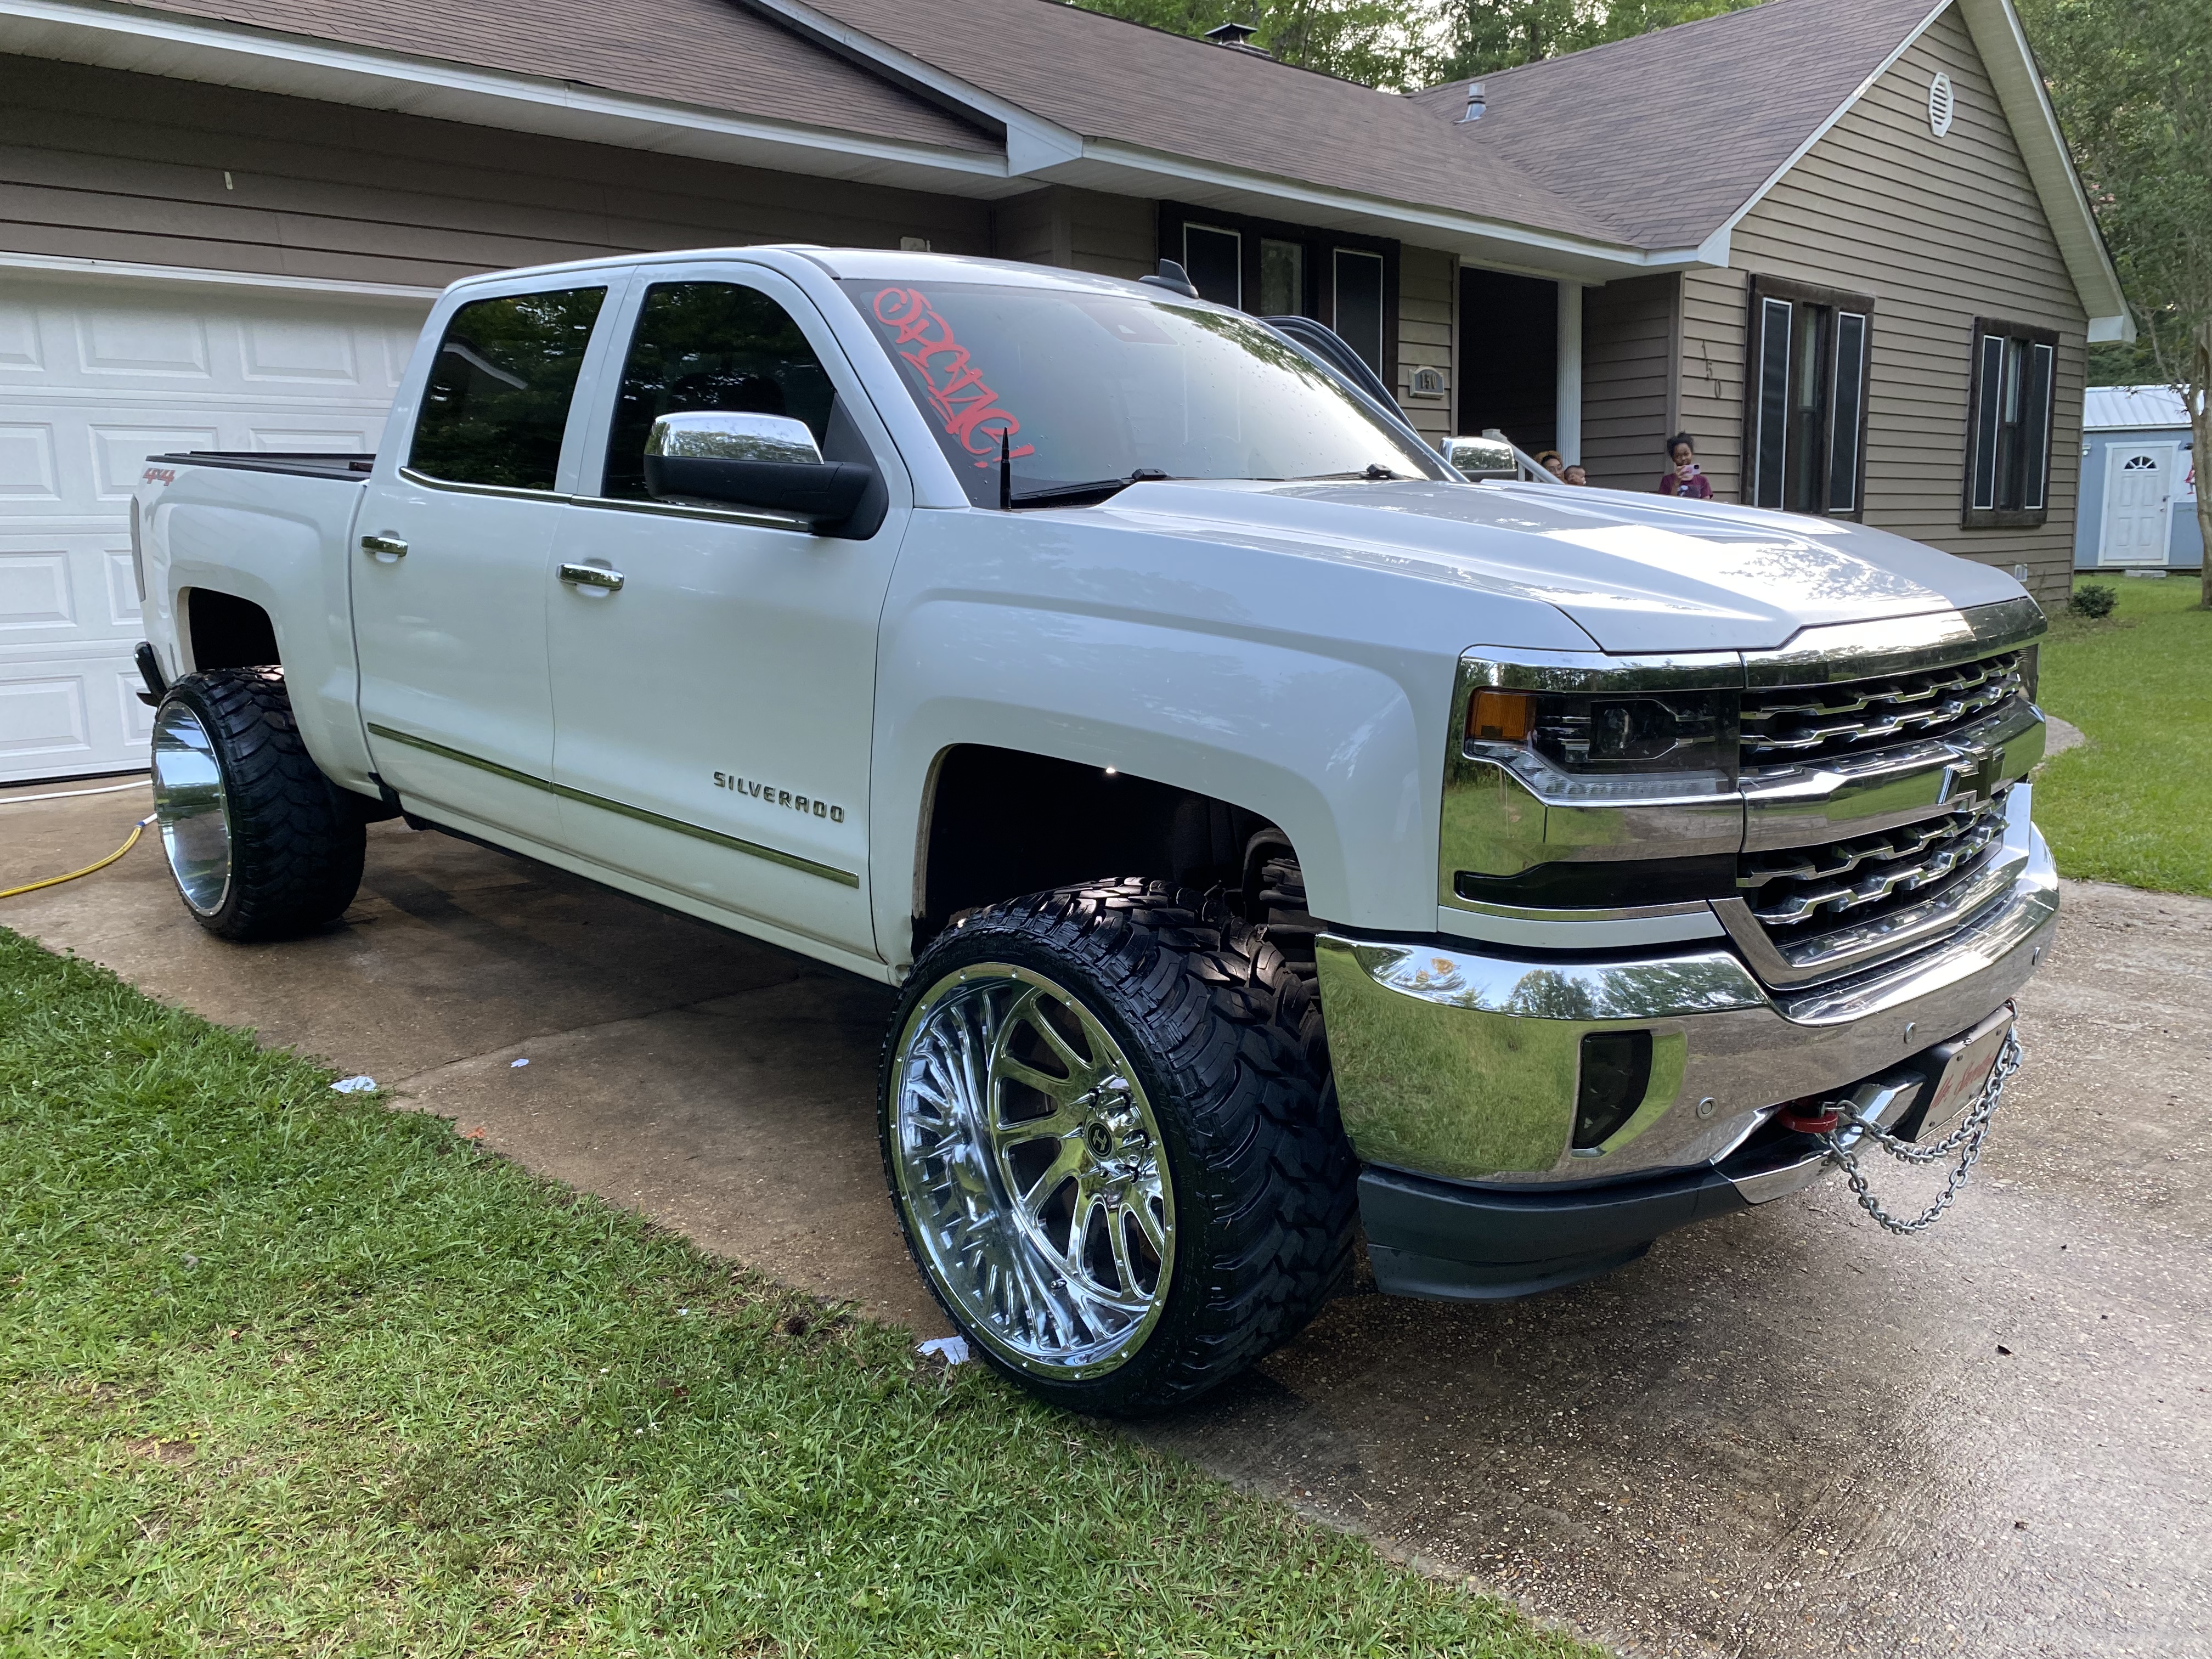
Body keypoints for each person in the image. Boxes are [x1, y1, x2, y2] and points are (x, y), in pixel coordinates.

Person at [1657, 433, 1712, 499]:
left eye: (1686, 454)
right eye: (1678, 456)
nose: (1683, 459)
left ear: (1692, 454)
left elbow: (1706, 506)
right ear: (1673, 459)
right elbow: (1666, 504)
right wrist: (1676, 484)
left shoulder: (1703, 481)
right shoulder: (1667, 481)